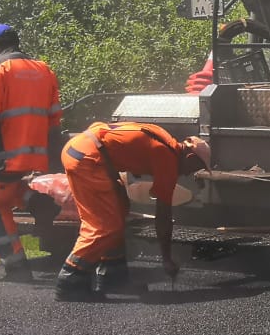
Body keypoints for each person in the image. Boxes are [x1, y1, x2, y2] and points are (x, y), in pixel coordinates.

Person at [54, 122, 210, 300]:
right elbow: (163, 216)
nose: (189, 174)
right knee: (105, 226)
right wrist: (167, 259)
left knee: (120, 209)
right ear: (190, 156)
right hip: (88, 159)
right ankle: (70, 279)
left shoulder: (164, 139)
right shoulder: (167, 157)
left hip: (84, 150)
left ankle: (113, 276)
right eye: (194, 168)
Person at [0, 24, 62, 283]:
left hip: (2, 154)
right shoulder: (43, 69)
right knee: (7, 191)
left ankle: (15, 268)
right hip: (35, 153)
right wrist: (51, 154)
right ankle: (40, 203)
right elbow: (55, 119)